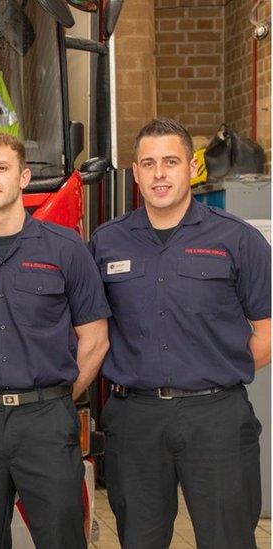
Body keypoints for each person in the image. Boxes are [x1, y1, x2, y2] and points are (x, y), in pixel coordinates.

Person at [90, 118, 271, 548]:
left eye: (170, 162)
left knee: (228, 538)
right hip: (135, 420)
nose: (159, 174)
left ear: (191, 166)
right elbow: (91, 331)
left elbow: (267, 329)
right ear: (134, 173)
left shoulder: (237, 239)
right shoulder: (106, 243)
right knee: (140, 539)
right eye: (148, 163)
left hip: (217, 418)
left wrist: (219, 370)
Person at [0, 130, 110, 548]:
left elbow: (96, 340)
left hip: (45, 422)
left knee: (62, 538)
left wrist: (58, 398)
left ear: (23, 177)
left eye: (0, 168)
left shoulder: (65, 249)